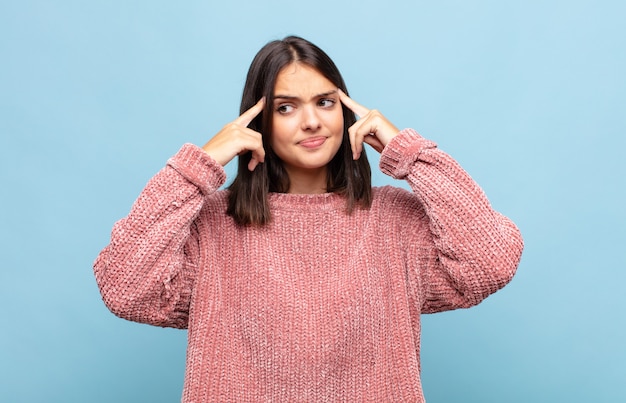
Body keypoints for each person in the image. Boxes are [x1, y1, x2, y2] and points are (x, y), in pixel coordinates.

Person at [94, 35, 524, 402]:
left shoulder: (395, 221)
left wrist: (409, 153)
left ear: (346, 112)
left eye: (324, 102)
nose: (312, 121)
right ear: (257, 122)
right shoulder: (211, 226)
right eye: (286, 108)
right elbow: (125, 289)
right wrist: (200, 163)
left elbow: (491, 261)